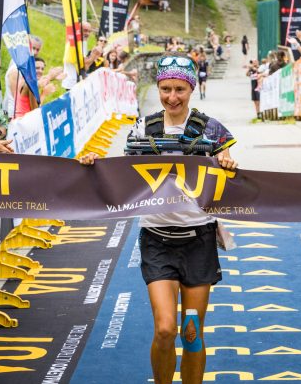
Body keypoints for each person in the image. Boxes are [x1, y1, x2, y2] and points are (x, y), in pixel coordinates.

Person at [79, 53, 237, 384]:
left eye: (180, 89)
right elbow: (122, 173)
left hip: (199, 239)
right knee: (165, 328)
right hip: (157, 239)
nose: (172, 97)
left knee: (192, 331)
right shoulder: (142, 129)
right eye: (166, 89)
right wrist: (94, 161)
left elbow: (229, 169)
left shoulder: (211, 129)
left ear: (191, 88)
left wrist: (226, 160)